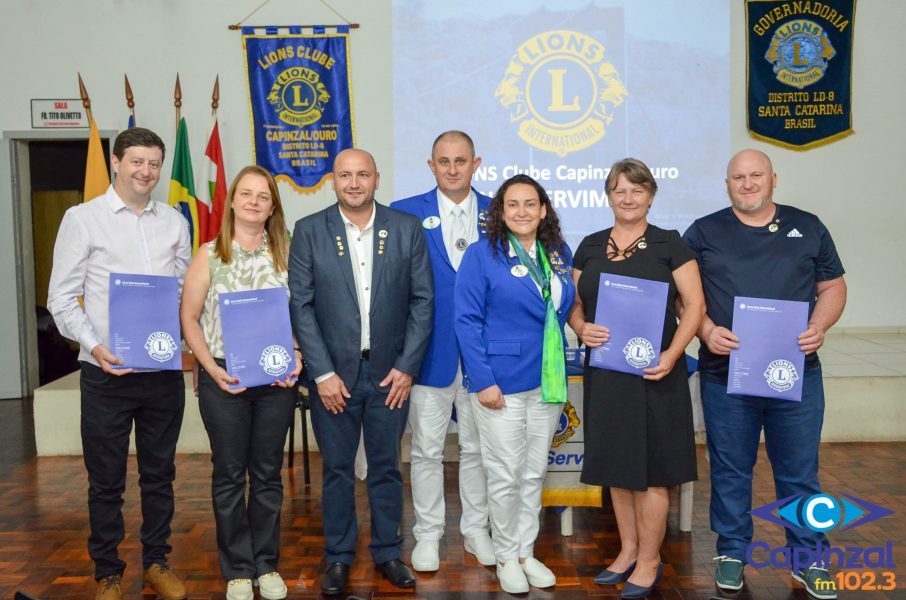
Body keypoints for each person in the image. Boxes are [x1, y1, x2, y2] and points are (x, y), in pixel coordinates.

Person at [683, 149, 846, 599]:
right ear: (727, 183)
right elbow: (684, 298)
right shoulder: (703, 232)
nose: (748, 183)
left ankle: (809, 559)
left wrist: (819, 326)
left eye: (756, 175)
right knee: (731, 471)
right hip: (725, 376)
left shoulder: (808, 226)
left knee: (800, 474)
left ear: (774, 178)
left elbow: (832, 286)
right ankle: (732, 553)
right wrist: (707, 329)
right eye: (738, 176)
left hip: (796, 376)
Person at [47, 128, 191, 600]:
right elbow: (61, 298)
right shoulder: (83, 219)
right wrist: (95, 344)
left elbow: (186, 293)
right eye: (136, 162)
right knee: (105, 482)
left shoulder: (174, 221)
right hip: (105, 373)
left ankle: (157, 562)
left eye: (153, 163)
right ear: (115, 162)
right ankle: (108, 572)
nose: (146, 172)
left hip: (162, 375)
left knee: (160, 477)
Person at [288, 148, 433, 594]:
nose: (354, 183)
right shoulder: (310, 231)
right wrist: (323, 372)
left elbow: (422, 302)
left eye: (363, 174)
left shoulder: (405, 228)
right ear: (332, 180)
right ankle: (338, 557)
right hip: (333, 378)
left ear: (377, 179)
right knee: (336, 469)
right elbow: (302, 305)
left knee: (387, 467)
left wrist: (408, 368)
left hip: (390, 375)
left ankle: (389, 552)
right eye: (345, 175)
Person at [568, 158, 705, 599]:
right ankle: (627, 551)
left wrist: (672, 354)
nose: (627, 198)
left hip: (654, 375)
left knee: (654, 473)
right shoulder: (588, 245)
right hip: (607, 375)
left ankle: (649, 560)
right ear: (607, 196)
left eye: (636, 190)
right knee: (618, 468)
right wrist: (580, 327)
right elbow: (574, 304)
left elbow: (695, 305)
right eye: (619, 190)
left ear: (651, 195)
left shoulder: (670, 244)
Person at [180, 166, 301, 600]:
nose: (253, 202)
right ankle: (237, 569)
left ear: (272, 207)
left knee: (267, 474)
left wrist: (298, 356)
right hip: (224, 378)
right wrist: (209, 368)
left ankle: (266, 565)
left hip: (275, 381)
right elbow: (188, 318)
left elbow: (301, 316)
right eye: (245, 194)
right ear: (232, 202)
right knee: (230, 474)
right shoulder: (209, 254)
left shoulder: (288, 253)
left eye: (262, 196)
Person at [453, 174, 575, 594]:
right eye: (512, 205)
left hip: (548, 382)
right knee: (504, 474)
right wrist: (482, 380)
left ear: (543, 210)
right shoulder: (481, 255)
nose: (522, 212)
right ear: (500, 213)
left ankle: (525, 551)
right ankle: (506, 556)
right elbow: (466, 321)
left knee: (533, 473)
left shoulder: (558, 252)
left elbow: (559, 313)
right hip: (499, 384)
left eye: (530, 204)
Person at [391, 131, 494, 571]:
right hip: (426, 354)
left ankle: (476, 531)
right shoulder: (404, 213)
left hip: (483, 357)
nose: (452, 168)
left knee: (476, 449)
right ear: (431, 166)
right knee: (427, 450)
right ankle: (428, 534)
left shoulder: (500, 212)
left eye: (461, 160)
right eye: (443, 161)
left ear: (476, 163)